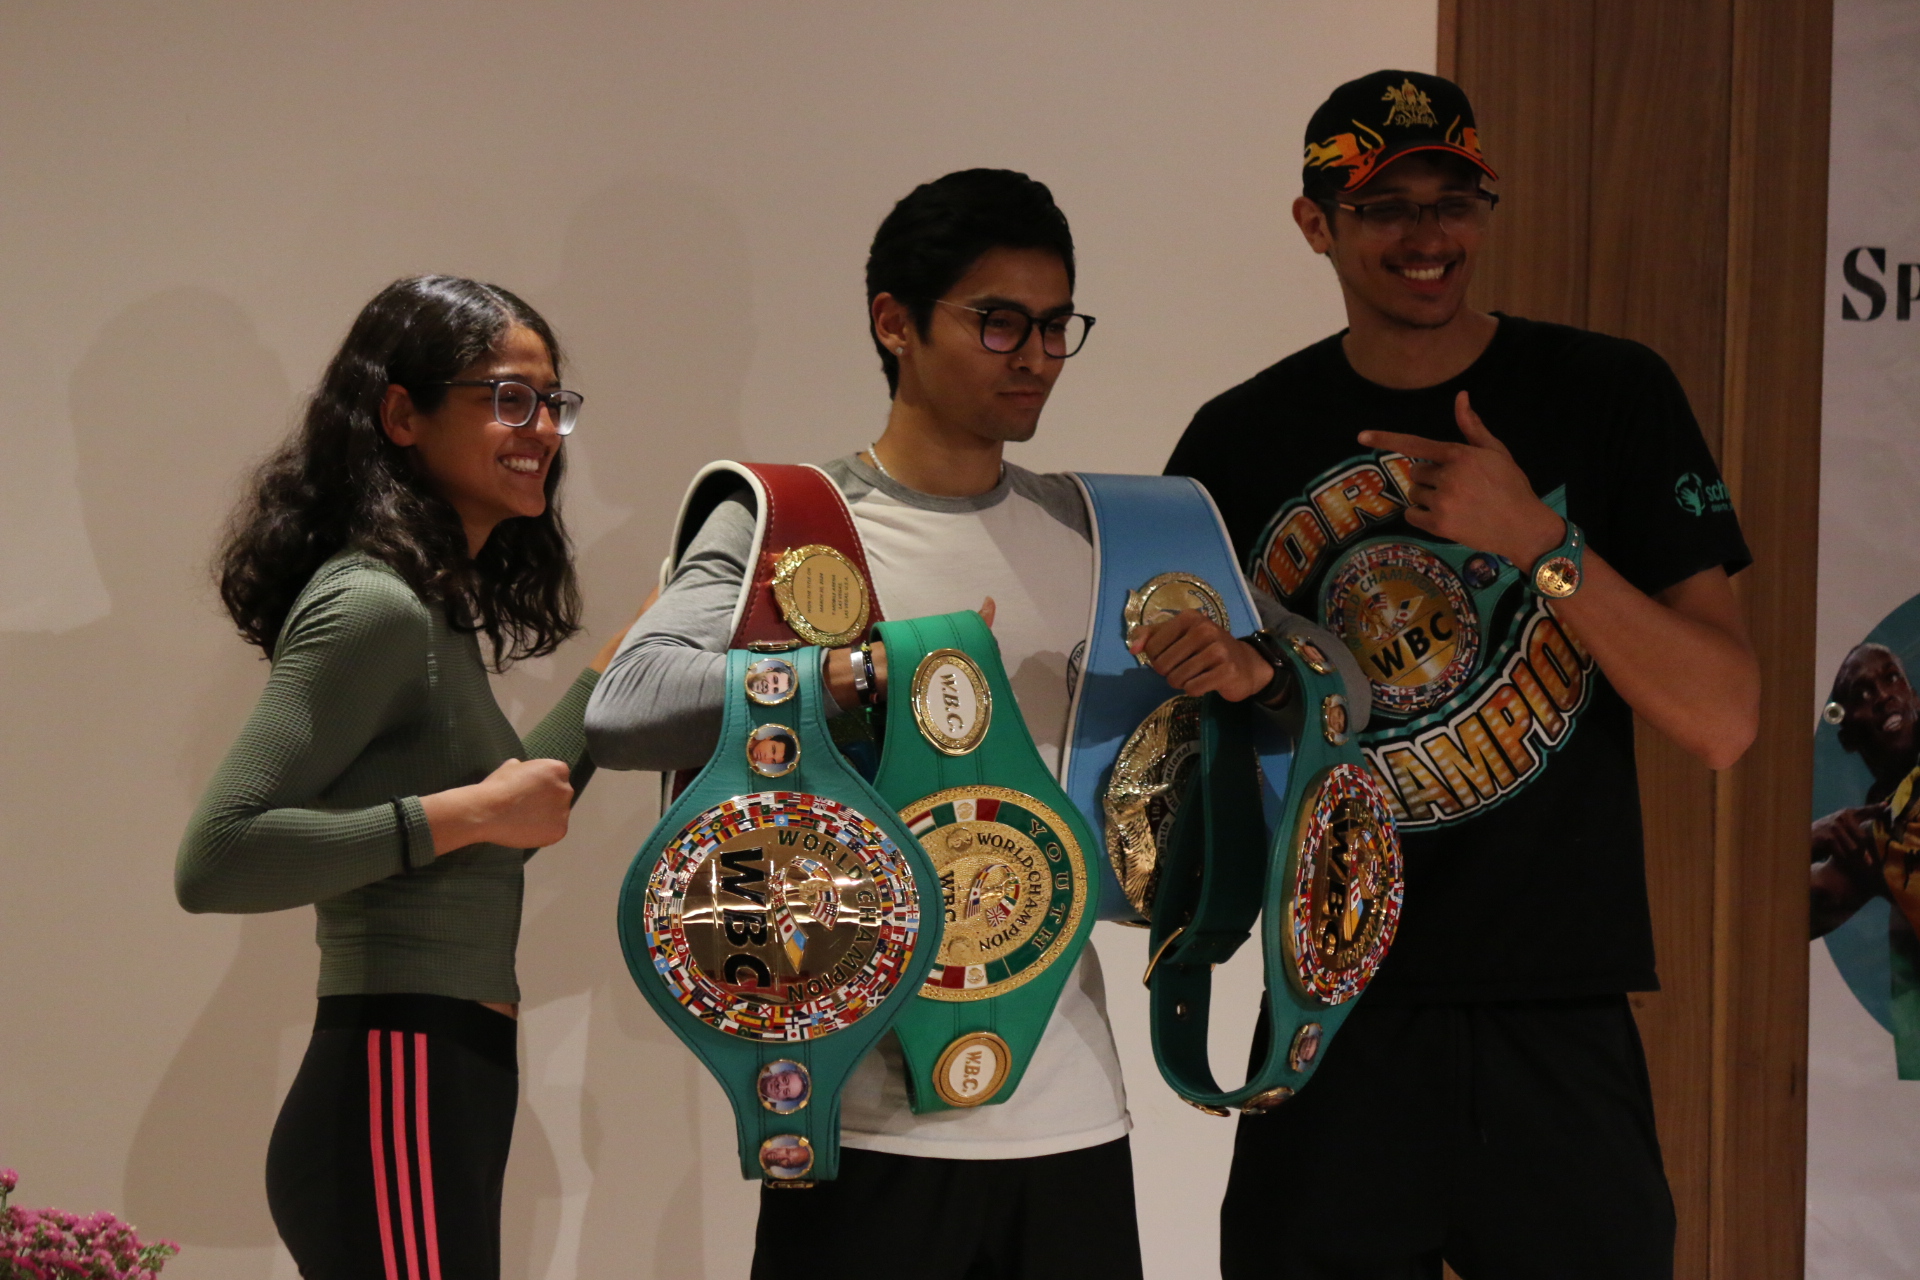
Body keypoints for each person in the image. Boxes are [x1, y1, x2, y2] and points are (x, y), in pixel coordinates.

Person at [1144, 70, 1759, 1278]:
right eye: (1385, 208)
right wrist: (1212, 681)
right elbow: (1179, 758)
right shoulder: (1237, 439)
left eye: (1455, 200)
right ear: (1314, 224)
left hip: (1555, 1006)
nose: (1428, 237)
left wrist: (1540, 541)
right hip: (1326, 1002)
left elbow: (1725, 715)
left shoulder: (1606, 394)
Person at [586, 169, 1144, 1280]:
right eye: (998, 321)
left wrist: (1254, 676)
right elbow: (626, 703)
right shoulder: (794, 522)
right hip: (860, 1114)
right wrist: (838, 672)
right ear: (894, 321)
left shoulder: (1095, 531)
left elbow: (1325, 689)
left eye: (1055, 324)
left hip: (1073, 1104)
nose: (1034, 354)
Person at [176, 275, 637, 1280]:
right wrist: (465, 812)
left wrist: (628, 661)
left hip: (439, 1077)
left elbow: (521, 799)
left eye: (553, 401)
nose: (544, 428)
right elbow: (215, 857)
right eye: (509, 397)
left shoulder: (429, 609)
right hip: (398, 1072)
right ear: (401, 414)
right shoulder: (372, 604)